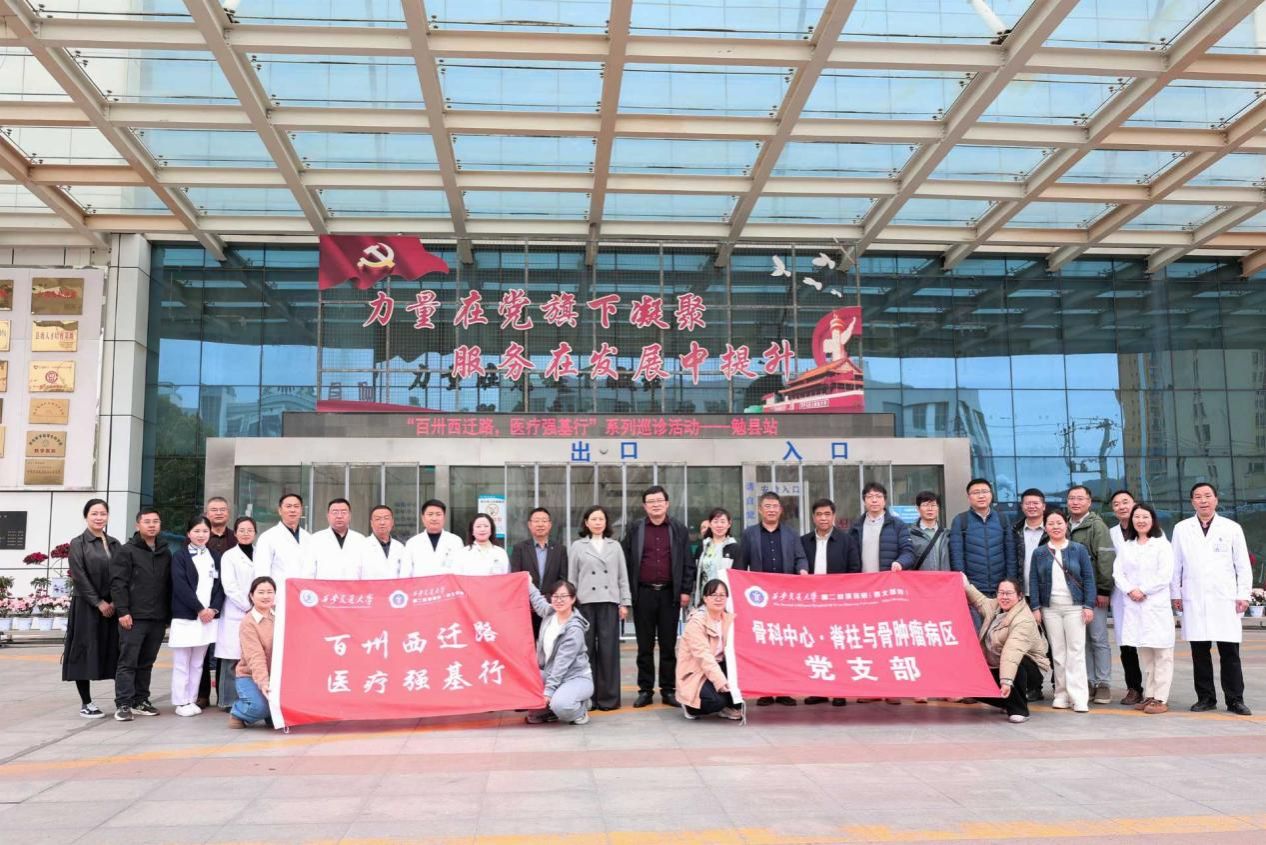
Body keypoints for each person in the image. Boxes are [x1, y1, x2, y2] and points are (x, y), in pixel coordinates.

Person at [1171, 482, 1252, 716]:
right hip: (1194, 597)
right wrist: (1175, 593)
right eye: (1198, 496)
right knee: (1199, 652)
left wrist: (1243, 594)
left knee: (1230, 652)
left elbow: (1242, 564)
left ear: (1216, 499)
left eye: (1207, 496)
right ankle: (1206, 697)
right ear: (1192, 502)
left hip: (1225, 598)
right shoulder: (1181, 528)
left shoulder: (1232, 528)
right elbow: (1175, 565)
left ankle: (1235, 699)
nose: (1203, 500)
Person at [622, 485, 693, 709]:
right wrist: (626, 594)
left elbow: (687, 562)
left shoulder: (678, 529)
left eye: (659, 501)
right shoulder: (635, 528)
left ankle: (668, 690)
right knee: (644, 646)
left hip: (669, 594)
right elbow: (626, 560)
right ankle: (645, 690)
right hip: (643, 593)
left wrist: (685, 590)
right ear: (644, 506)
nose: (655, 505)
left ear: (667, 504)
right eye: (651, 501)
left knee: (668, 645)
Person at [737, 491, 808, 706]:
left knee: (784, 644)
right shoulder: (749, 534)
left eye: (774, 506)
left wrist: (803, 570)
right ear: (760, 510)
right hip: (759, 600)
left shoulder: (791, 534)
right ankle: (766, 691)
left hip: (784, 599)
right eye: (767, 506)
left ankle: (784, 690)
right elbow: (740, 565)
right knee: (763, 644)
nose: (771, 510)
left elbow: (801, 558)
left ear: (780, 510)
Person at [1028, 508, 1096, 713]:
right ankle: (1061, 694)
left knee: (1076, 652)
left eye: (1059, 522)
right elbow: (1033, 580)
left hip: (1075, 607)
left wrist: (1088, 605)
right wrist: (1035, 607)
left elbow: (1088, 578)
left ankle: (1079, 697)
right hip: (1050, 609)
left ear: (1066, 525)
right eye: (1051, 523)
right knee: (1058, 653)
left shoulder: (1078, 549)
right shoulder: (1039, 553)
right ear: (1045, 527)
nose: (1055, 526)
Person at [110, 506, 171, 721]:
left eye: (155, 521)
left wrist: (168, 616)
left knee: (147, 662)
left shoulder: (164, 551)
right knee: (128, 661)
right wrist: (123, 611)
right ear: (138, 525)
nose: (152, 525)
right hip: (133, 617)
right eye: (147, 522)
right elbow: (118, 583)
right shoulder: (126, 551)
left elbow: (168, 585)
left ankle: (140, 700)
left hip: (157, 618)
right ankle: (124, 703)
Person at [62, 498, 121, 719]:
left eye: (103, 513)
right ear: (86, 516)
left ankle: (123, 699)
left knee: (116, 650)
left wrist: (115, 601)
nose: (99, 518)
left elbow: (122, 573)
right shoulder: (78, 543)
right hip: (87, 606)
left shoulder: (114, 543)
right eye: (94, 513)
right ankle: (86, 702)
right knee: (84, 651)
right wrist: (99, 602)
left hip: (113, 606)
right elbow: (79, 576)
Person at [1114, 503, 1175, 715]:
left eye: (1145, 517)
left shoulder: (1162, 545)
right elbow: (1118, 573)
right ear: (1132, 521)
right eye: (1137, 517)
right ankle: (1149, 694)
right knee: (1146, 653)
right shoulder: (1127, 546)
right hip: (1135, 605)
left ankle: (1161, 697)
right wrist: (1130, 590)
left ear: (1153, 520)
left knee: (1162, 654)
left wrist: (1143, 590)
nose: (1141, 520)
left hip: (1155, 604)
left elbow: (1165, 575)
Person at [963, 576, 1050, 723]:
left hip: (1029, 669)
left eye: (1009, 593)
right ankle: (1007, 701)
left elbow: (1012, 652)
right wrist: (965, 585)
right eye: (1001, 593)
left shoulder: (1023, 619)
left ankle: (1019, 710)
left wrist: (1006, 681)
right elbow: (981, 601)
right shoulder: (996, 607)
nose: (1004, 597)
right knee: (968, 682)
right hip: (998, 666)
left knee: (1017, 662)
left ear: (1020, 596)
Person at [570, 505, 631, 711]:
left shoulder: (615, 546)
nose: (597, 523)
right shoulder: (578, 546)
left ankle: (608, 698)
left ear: (606, 523)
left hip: (609, 601)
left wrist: (624, 602)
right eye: (593, 519)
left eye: (601, 519)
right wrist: (571, 604)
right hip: (584, 603)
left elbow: (622, 577)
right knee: (585, 651)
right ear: (586, 523)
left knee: (608, 651)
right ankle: (587, 696)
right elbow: (572, 578)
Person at [799, 497, 857, 707]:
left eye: (827, 514)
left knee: (838, 646)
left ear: (834, 516)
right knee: (817, 646)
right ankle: (819, 690)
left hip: (837, 603)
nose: (823, 518)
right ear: (813, 517)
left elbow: (854, 570)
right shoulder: (803, 541)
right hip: (812, 603)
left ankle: (839, 690)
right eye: (819, 514)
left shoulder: (846, 540)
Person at [169, 515, 224, 717]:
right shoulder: (180, 557)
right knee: (182, 662)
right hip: (187, 617)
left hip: (208, 618)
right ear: (188, 534)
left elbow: (220, 586)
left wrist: (213, 609)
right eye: (197, 531)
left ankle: (191, 699)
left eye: (205, 531)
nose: (201, 535)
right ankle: (180, 701)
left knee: (198, 662)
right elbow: (180, 586)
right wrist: (200, 609)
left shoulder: (215, 556)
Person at [1066, 485, 1116, 705]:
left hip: (1094, 593)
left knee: (1098, 638)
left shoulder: (1097, 526)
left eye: (1080, 498)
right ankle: (1088, 681)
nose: (1075, 502)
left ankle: (1103, 683)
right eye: (1072, 498)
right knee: (1081, 640)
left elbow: (1105, 558)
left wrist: (1103, 589)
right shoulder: (1064, 524)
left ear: (1089, 502)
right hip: (1072, 595)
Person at [524, 579, 594, 726]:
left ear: (573, 599)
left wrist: (549, 692)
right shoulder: (550, 613)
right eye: (555, 596)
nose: (558, 600)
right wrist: (527, 582)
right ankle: (548, 711)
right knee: (522, 679)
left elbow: (562, 663)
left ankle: (581, 708)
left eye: (563, 596)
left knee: (562, 706)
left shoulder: (574, 628)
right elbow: (537, 600)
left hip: (575, 678)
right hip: (550, 674)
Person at [676, 579, 742, 721]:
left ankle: (727, 705)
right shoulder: (696, 622)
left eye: (722, 595)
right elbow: (703, 656)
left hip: (719, 666)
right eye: (714, 595)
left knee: (738, 699)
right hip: (698, 671)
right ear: (705, 598)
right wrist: (720, 681)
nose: (718, 598)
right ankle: (690, 707)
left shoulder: (729, 619)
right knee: (716, 701)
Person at [950, 479, 1018, 614]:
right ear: (969, 497)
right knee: (976, 626)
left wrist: (1010, 583)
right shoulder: (961, 520)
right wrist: (965, 586)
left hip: (1000, 589)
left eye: (984, 491)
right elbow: (956, 555)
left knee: (1000, 626)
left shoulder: (1002, 519)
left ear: (991, 495)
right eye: (976, 492)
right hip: (973, 589)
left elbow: (1010, 553)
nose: (981, 496)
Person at [1107, 489, 1147, 706]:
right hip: (1121, 594)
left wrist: (1144, 588)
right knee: (1126, 644)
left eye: (1125, 502)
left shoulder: (1150, 530)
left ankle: (1154, 689)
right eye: (1116, 504)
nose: (1121, 506)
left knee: (1151, 642)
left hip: (1147, 594)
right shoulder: (1110, 533)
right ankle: (1134, 688)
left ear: (1134, 504)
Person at [216, 517, 257, 713]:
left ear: (255, 533)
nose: (246, 533)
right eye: (242, 530)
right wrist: (248, 605)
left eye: (250, 530)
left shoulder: (260, 553)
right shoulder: (229, 556)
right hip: (236, 610)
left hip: (258, 610)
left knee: (252, 656)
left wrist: (258, 605)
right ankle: (227, 700)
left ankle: (250, 697)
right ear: (236, 533)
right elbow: (229, 586)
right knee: (231, 658)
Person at [1013, 488, 1050, 702]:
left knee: (1054, 643)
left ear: (1043, 506)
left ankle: (1059, 685)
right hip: (1022, 596)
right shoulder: (1015, 531)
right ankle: (1034, 686)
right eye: (1028, 503)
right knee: (1026, 644)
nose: (1032, 506)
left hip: (1048, 595)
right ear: (1022, 506)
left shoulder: (1054, 527)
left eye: (1036, 503)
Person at [198, 496, 235, 709]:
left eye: (222, 509)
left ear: (228, 513)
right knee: (201, 650)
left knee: (226, 650)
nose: (218, 513)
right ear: (206, 513)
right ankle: (202, 694)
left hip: (230, 603)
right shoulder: (199, 536)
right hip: (203, 603)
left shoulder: (236, 537)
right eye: (214, 509)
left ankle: (224, 695)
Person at [509, 507, 568, 637]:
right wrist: (531, 599)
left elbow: (562, 579)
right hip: (527, 607)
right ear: (529, 525)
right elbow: (516, 578)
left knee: (550, 642)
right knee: (528, 642)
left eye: (544, 521)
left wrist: (548, 599)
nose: (540, 524)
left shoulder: (560, 550)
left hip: (551, 606)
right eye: (536, 521)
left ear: (550, 525)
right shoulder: (519, 549)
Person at [228, 577, 276, 729]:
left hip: (276, 676)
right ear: (251, 595)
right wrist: (264, 682)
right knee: (259, 708)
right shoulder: (248, 623)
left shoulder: (280, 616)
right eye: (261, 592)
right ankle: (238, 712)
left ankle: (270, 714)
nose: (266, 596)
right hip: (250, 676)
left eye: (270, 592)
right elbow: (255, 657)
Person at [253, 493, 311, 598]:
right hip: (279, 597)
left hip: (305, 597)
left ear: (301, 510)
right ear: (280, 510)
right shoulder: (268, 537)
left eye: (296, 506)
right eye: (288, 506)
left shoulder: (309, 538)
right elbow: (262, 571)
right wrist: (266, 597)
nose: (292, 510)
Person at [848, 482, 913, 573]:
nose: (874, 500)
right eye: (870, 497)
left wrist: (900, 563)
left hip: (888, 579)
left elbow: (908, 552)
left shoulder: (898, 525)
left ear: (884, 500)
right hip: (862, 579)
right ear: (864, 501)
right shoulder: (856, 527)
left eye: (878, 496)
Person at [309, 498, 365, 579]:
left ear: (350, 516)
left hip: (353, 587)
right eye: (335, 512)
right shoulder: (315, 539)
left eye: (344, 512)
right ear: (328, 516)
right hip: (325, 587)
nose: (339, 516)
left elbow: (366, 572)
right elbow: (309, 572)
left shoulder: (360, 540)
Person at [692, 508, 738, 606]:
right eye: (715, 521)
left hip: (726, 599)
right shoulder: (702, 547)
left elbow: (738, 577)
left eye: (723, 521)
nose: (719, 525)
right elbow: (695, 575)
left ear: (729, 524)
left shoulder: (735, 548)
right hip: (704, 597)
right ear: (710, 524)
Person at [406, 499, 464, 576]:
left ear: (444, 517)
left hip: (448, 584)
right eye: (430, 514)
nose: (434, 518)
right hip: (421, 584)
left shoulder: (455, 541)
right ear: (423, 518)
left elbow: (461, 571)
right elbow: (405, 574)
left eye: (438, 514)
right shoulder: (412, 543)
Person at [356, 505, 411, 580]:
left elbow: (405, 575)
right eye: (377, 519)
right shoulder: (361, 546)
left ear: (392, 522)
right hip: (370, 587)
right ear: (371, 523)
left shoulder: (400, 547)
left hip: (395, 587)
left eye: (386, 518)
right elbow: (355, 575)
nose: (382, 522)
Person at [908, 491, 951, 572]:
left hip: (944, 579)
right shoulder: (910, 534)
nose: (930, 509)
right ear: (918, 508)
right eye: (925, 505)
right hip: (920, 579)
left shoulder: (947, 534)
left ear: (938, 508)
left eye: (933, 505)